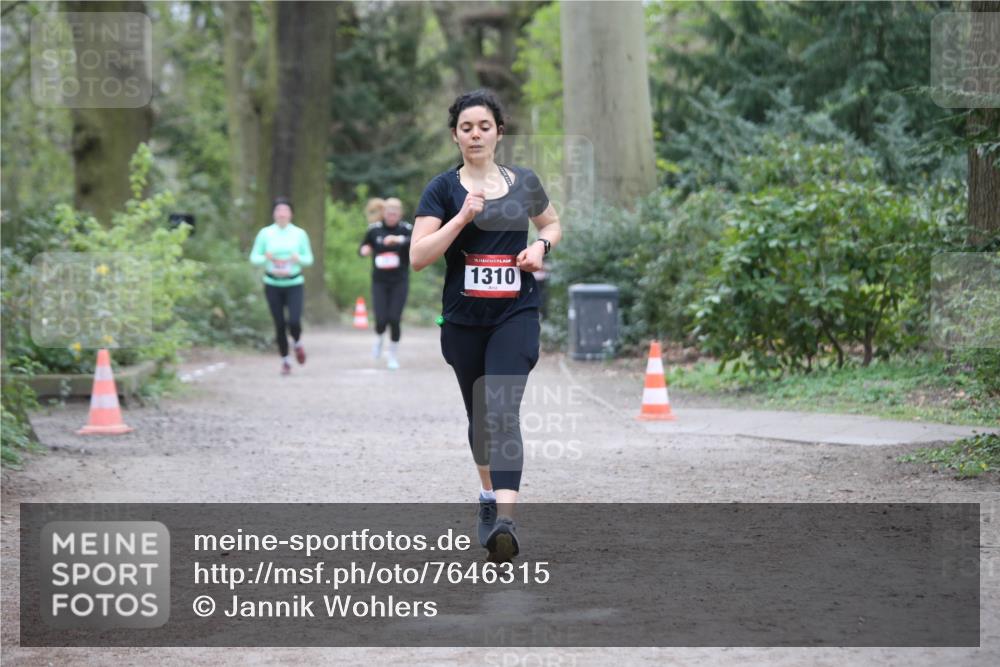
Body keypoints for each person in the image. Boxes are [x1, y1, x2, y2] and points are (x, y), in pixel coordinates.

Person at [411, 89, 562, 562]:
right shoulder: (442, 189)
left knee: (500, 409)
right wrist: (461, 218)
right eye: (466, 127)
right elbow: (418, 257)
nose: (476, 134)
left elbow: (551, 225)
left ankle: (506, 519)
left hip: (516, 313)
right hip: (463, 321)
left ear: (499, 131)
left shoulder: (525, 182)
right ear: (455, 135)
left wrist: (540, 248)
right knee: (480, 419)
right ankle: (487, 496)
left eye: (484, 126)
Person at [249, 197, 314, 375]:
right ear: (274, 214)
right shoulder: (265, 233)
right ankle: (285, 360)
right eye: (278, 210)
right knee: (279, 324)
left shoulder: (299, 234)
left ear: (291, 214)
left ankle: (298, 343)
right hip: (272, 283)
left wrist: (297, 259)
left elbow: (309, 259)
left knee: (293, 320)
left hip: (294, 283)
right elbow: (254, 257)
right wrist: (266, 258)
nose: (282, 214)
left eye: (285, 210)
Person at [359, 197, 412, 369]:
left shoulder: (406, 229)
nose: (391, 216)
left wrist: (398, 240)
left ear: (400, 214)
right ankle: (379, 338)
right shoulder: (374, 230)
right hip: (379, 282)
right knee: (381, 319)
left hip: (399, 281)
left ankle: (393, 355)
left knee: (394, 318)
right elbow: (363, 247)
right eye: (389, 213)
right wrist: (364, 250)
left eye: (395, 214)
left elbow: (417, 241)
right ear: (384, 213)